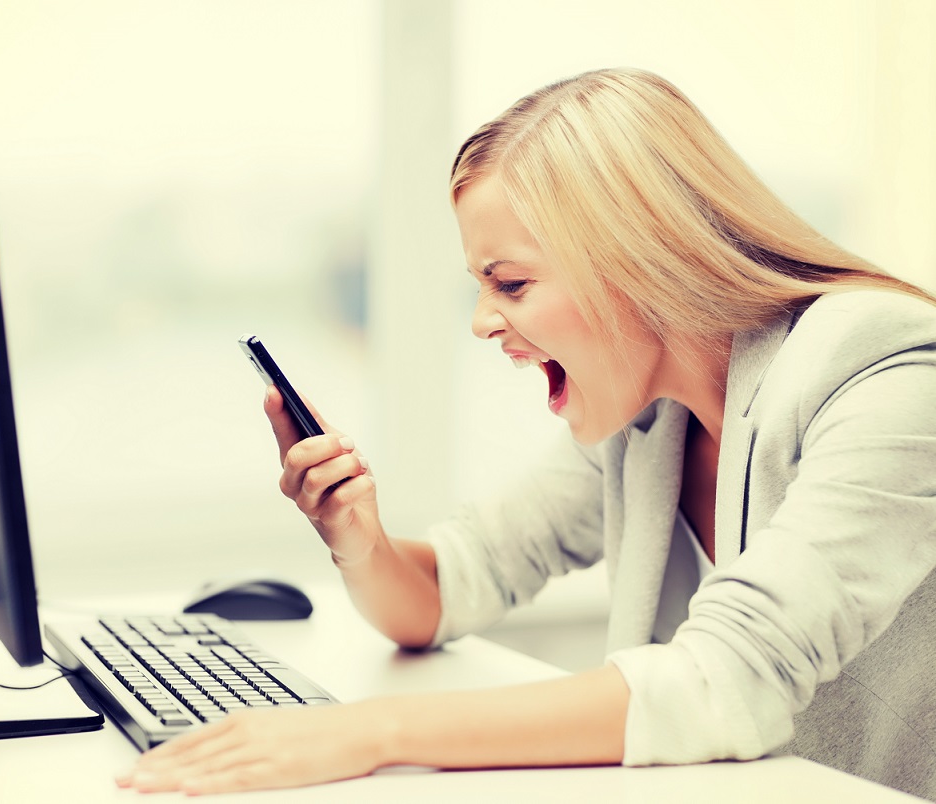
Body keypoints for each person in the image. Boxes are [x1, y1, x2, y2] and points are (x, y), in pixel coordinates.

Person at [118, 68, 936, 798]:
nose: (482, 322)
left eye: (508, 283)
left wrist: (362, 733)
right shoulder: (647, 414)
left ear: (639, 257)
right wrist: (358, 536)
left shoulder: (886, 371)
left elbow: (726, 678)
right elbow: (447, 592)